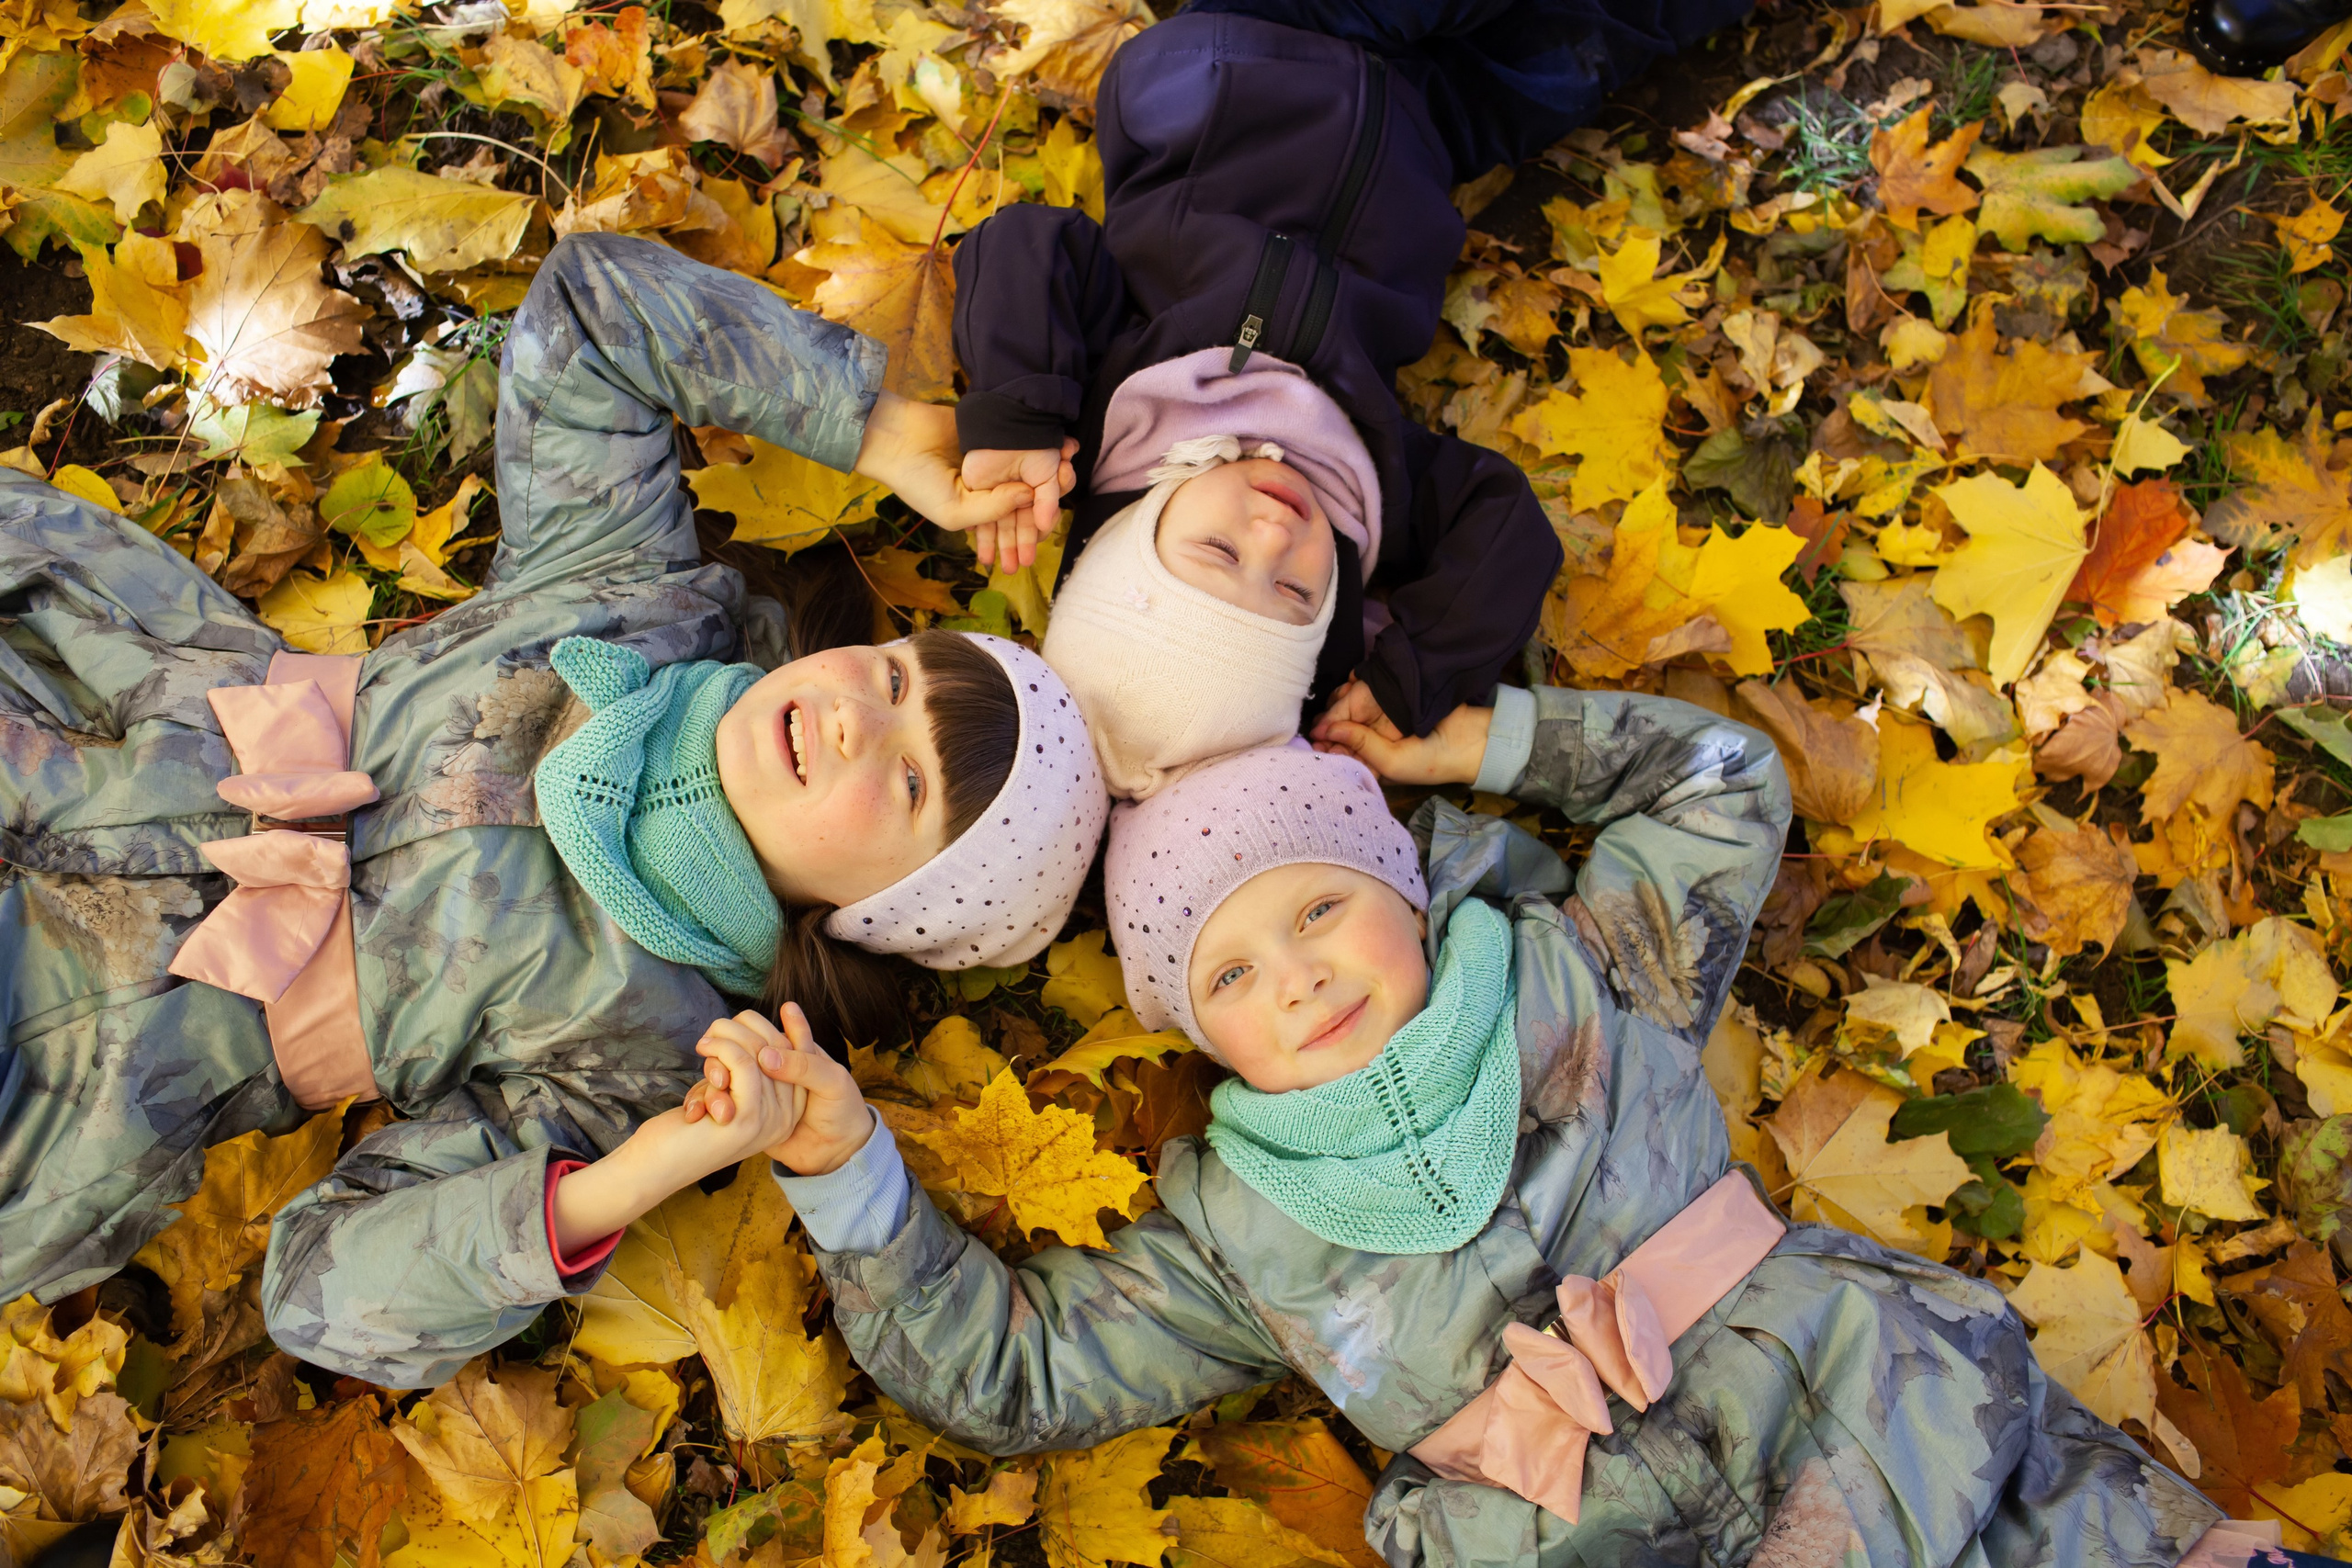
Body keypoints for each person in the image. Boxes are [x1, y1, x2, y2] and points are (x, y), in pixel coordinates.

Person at [694, 692, 2251, 1567]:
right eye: (1230, 971)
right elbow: (1019, 1376)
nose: (1296, 973)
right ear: (1198, 1031)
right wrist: (848, 1175)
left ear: (1408, 895)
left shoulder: (1584, 973)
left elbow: (1723, 784)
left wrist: (1488, 742)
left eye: (1322, 908)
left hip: (1862, 1401)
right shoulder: (1238, 1229)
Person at [0, 230, 1103, 1388]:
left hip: (79, 1046)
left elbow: (326, 1293)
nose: (851, 720)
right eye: (891, 676)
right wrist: (888, 435)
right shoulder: (638, 601)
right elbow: (594, 312)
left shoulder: (644, 1056)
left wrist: (632, 1177)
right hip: (87, 695)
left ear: (871, 911)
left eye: (909, 782)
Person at [935, 3, 1655, 797]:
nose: (1276, 535)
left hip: (1248, 61)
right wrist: (1411, 673)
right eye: (1294, 594)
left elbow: (1028, 242)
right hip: (1429, 129)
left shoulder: (1110, 403)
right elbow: (1504, 527)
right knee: (1597, 42)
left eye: (1220, 553)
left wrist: (1020, 401)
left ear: (1125, 536)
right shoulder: (1372, 497)